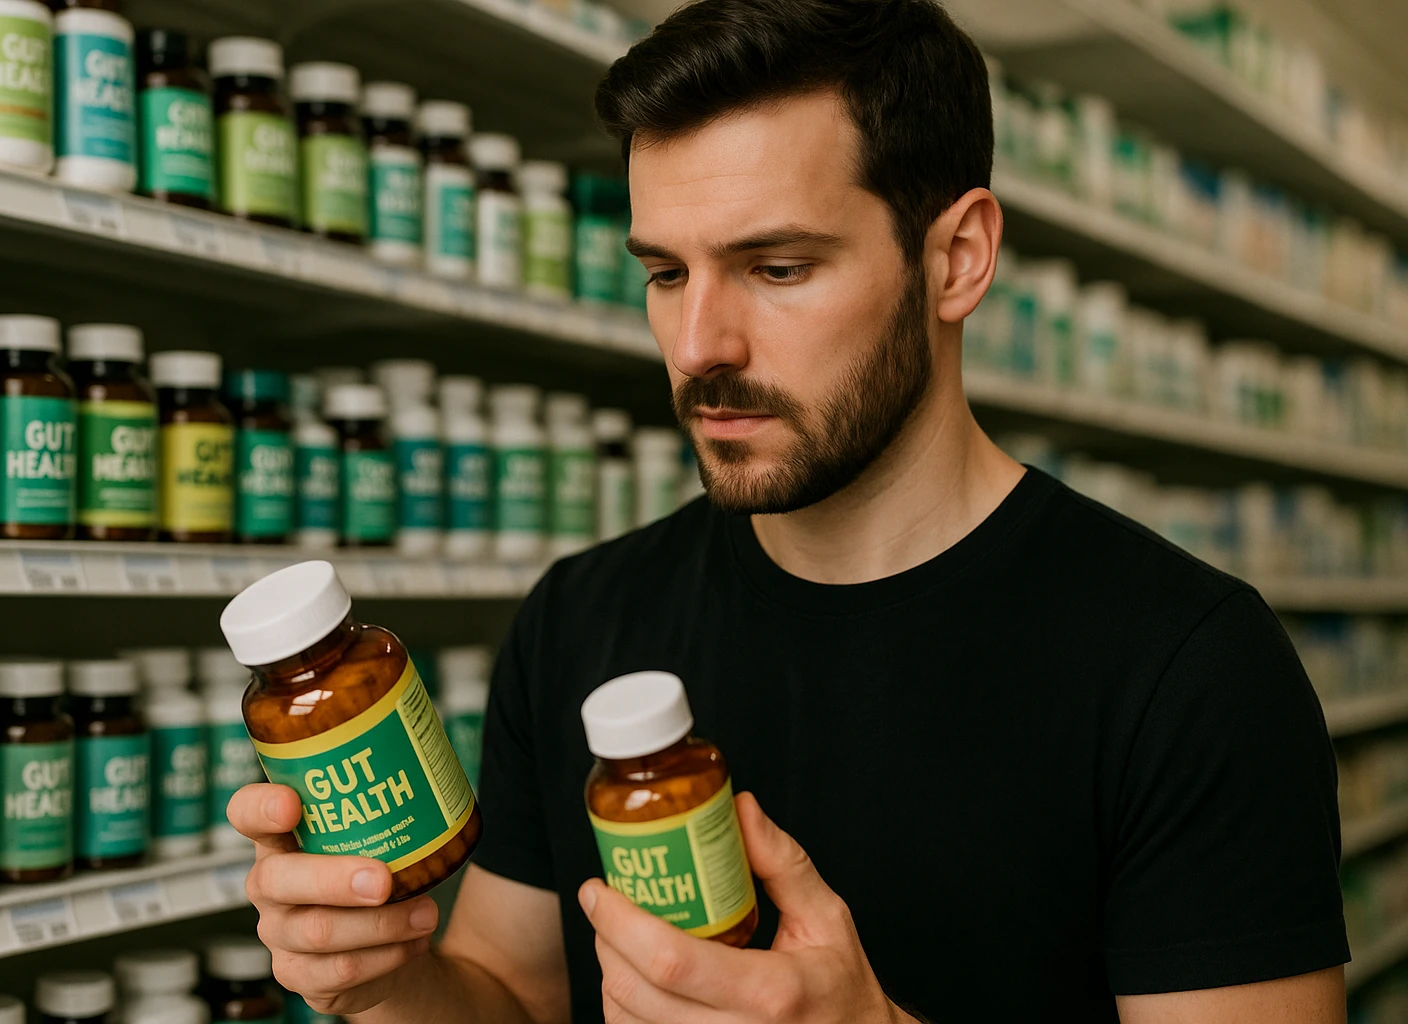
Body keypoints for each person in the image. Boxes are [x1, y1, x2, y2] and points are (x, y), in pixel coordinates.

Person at [229, 1, 1349, 1020]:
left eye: (775, 267)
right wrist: (390, 978)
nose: (699, 344)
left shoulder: (1188, 665)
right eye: (667, 273)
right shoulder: (580, 617)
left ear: (956, 258)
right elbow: (514, 1000)